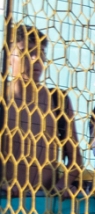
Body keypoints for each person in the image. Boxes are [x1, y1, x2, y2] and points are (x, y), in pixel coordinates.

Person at [1, 25, 79, 195]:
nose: (36, 58)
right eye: (27, 52)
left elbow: (75, 161)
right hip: (6, 200)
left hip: (44, 201)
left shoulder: (58, 100)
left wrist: (62, 185)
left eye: (40, 52)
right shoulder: (2, 101)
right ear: (8, 59)